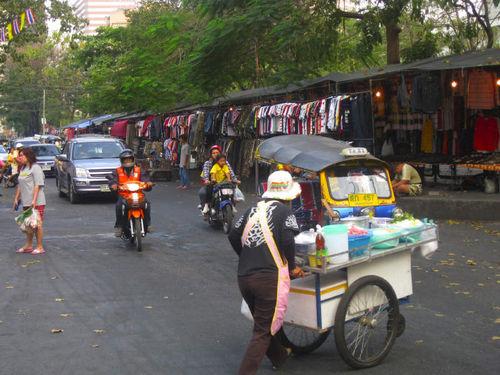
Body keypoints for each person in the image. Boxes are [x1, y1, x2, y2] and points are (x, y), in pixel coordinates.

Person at [228, 171, 305, 375]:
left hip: (244, 276)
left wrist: (246, 255)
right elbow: (288, 241)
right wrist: (291, 267)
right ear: (288, 196)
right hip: (268, 279)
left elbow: (233, 234)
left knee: (263, 320)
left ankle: (279, 356)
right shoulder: (285, 212)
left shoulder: (250, 209)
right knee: (262, 330)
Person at [108, 149, 153, 237]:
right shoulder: (117, 171)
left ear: (133, 159)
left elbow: (145, 178)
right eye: (125, 160)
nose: (127, 161)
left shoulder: (139, 170)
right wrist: (113, 185)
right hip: (124, 195)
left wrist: (148, 183)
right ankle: (119, 226)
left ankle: (148, 224)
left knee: (147, 204)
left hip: (138, 193)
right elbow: (112, 180)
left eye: (129, 159)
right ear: (122, 161)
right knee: (119, 206)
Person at [13, 147, 46, 254]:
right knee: (28, 224)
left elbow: (38, 185)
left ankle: (40, 247)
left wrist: (34, 200)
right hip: (26, 201)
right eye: (19, 155)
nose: (20, 157)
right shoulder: (23, 169)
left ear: (28, 156)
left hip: (37, 201)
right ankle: (29, 245)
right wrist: (16, 198)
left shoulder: (35, 168)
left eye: (22, 155)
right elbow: (19, 185)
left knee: (37, 224)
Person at [199, 145, 238, 214]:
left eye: (217, 152)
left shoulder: (225, 162)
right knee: (204, 192)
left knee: (232, 189)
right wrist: (206, 180)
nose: (215, 154)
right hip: (212, 183)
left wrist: (235, 179)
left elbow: (230, 172)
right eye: (213, 153)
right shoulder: (208, 163)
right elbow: (206, 173)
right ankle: (206, 205)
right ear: (211, 154)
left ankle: (232, 204)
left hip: (224, 183)